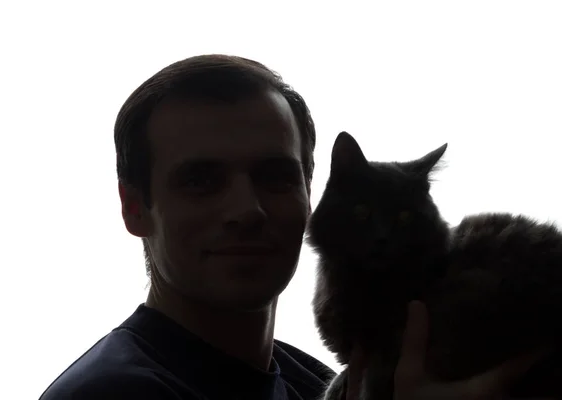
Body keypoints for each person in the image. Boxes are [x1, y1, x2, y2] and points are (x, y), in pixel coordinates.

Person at [39, 54, 548, 400]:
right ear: (134, 209)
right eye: (202, 180)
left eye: (275, 177)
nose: (248, 209)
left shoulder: (312, 380)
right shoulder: (114, 390)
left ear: (310, 195)